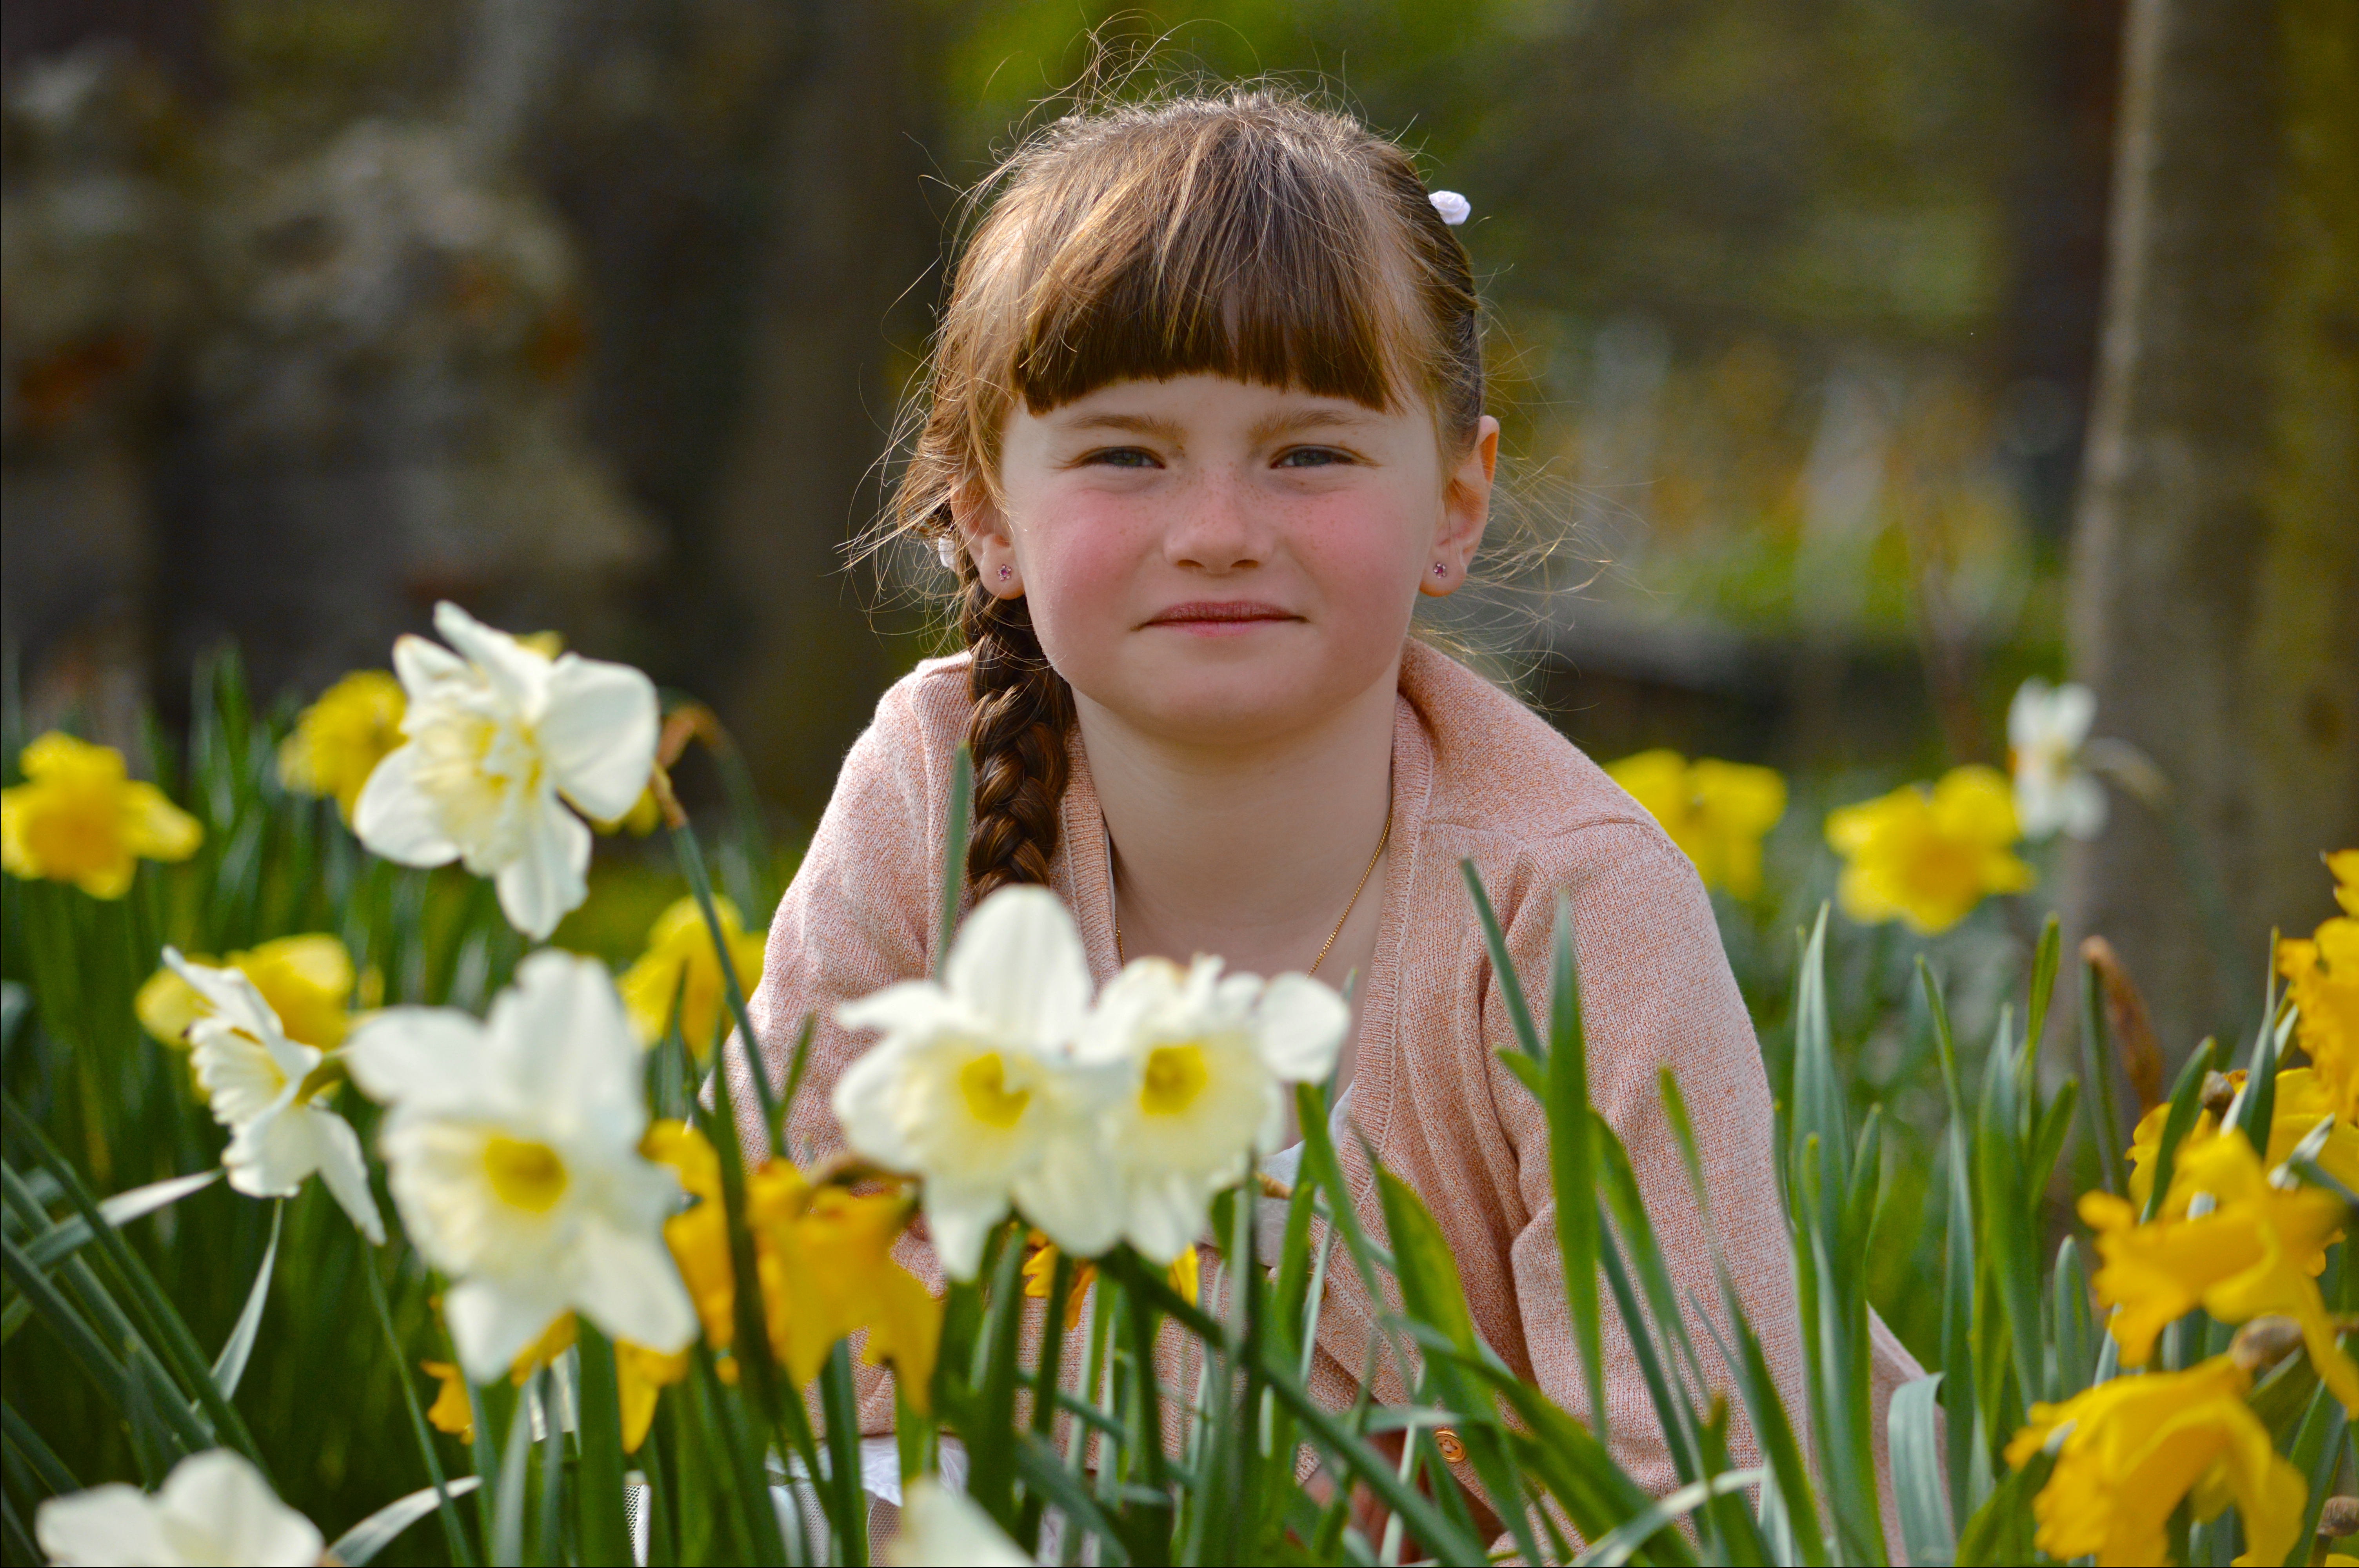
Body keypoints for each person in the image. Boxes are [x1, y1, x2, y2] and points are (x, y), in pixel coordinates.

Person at [729, 86, 1921, 1548]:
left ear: (1456, 504)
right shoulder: (933, 782)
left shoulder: (1570, 902)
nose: (1219, 531)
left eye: (1308, 454)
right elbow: (759, 1297)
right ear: (987, 518)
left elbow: (1684, 1486)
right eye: (1125, 454)